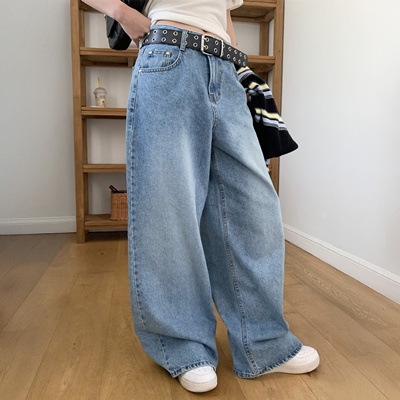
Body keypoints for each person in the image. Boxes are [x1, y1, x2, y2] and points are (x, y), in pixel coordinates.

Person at [81, 0, 320, 393]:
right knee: (169, 208)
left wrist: (239, 68)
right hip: (168, 56)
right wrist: (122, 13)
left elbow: (223, 13)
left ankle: (264, 343)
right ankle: (184, 345)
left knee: (254, 209)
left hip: (225, 69)